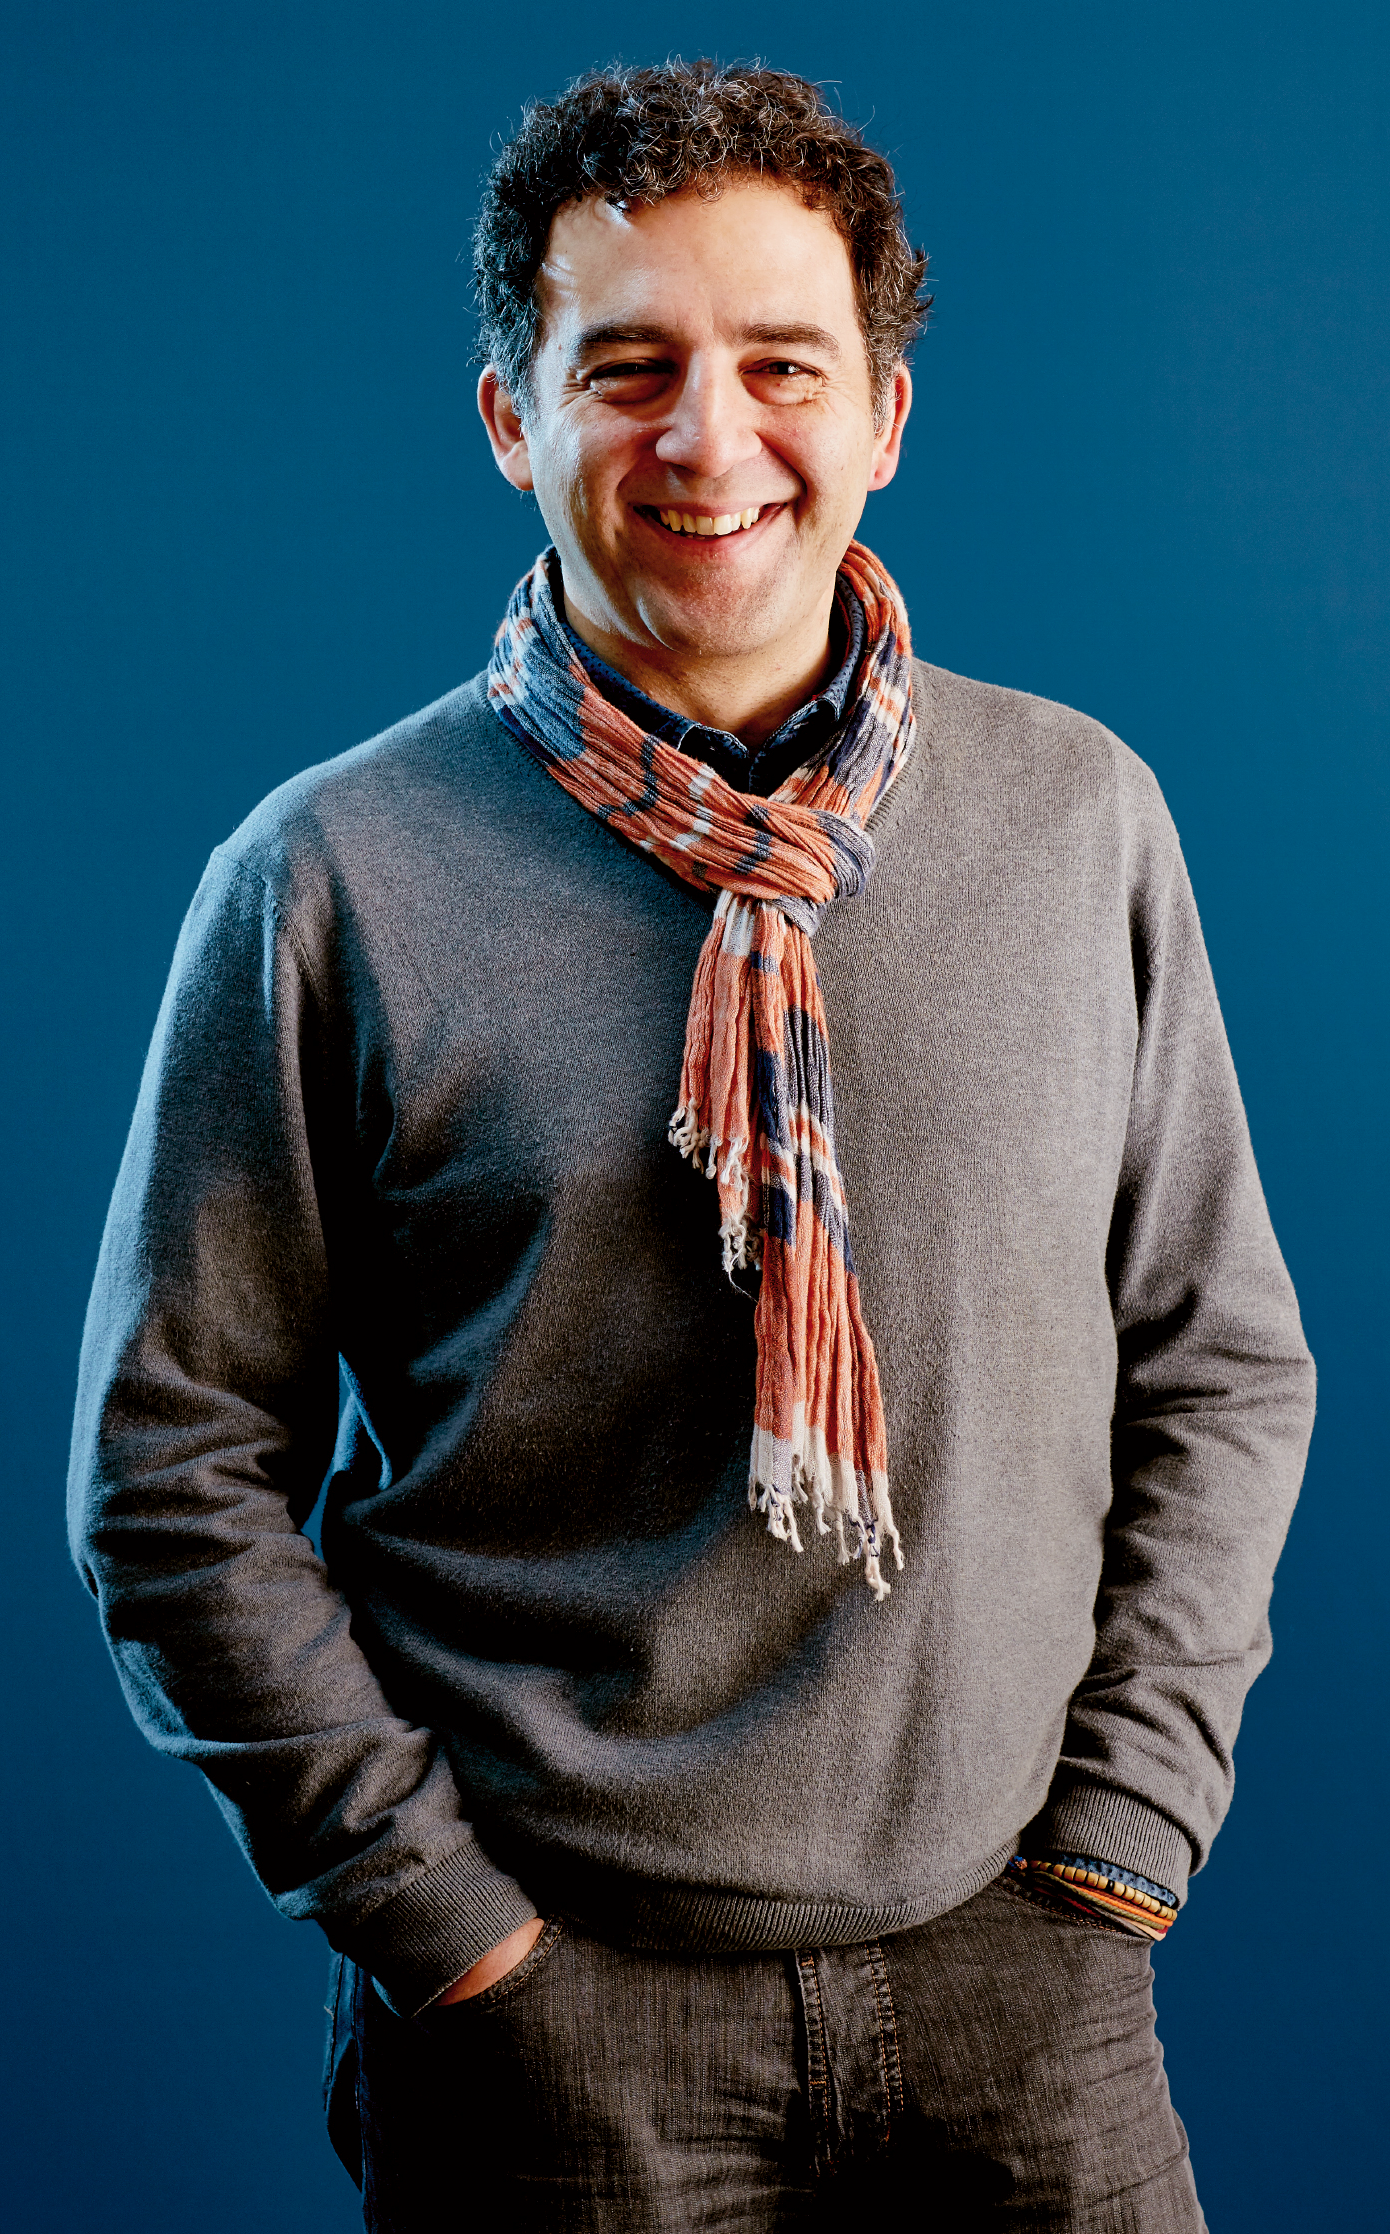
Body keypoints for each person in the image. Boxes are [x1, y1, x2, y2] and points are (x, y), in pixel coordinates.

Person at [68, 58, 1315, 2233]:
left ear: (885, 416)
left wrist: (1122, 1843)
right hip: (554, 2031)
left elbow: (1217, 1358)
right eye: (623, 368)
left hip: (1027, 1983)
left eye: (778, 366)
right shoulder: (325, 883)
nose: (706, 441)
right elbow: (168, 1479)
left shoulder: (1078, 820)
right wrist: (440, 1925)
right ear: (506, 420)